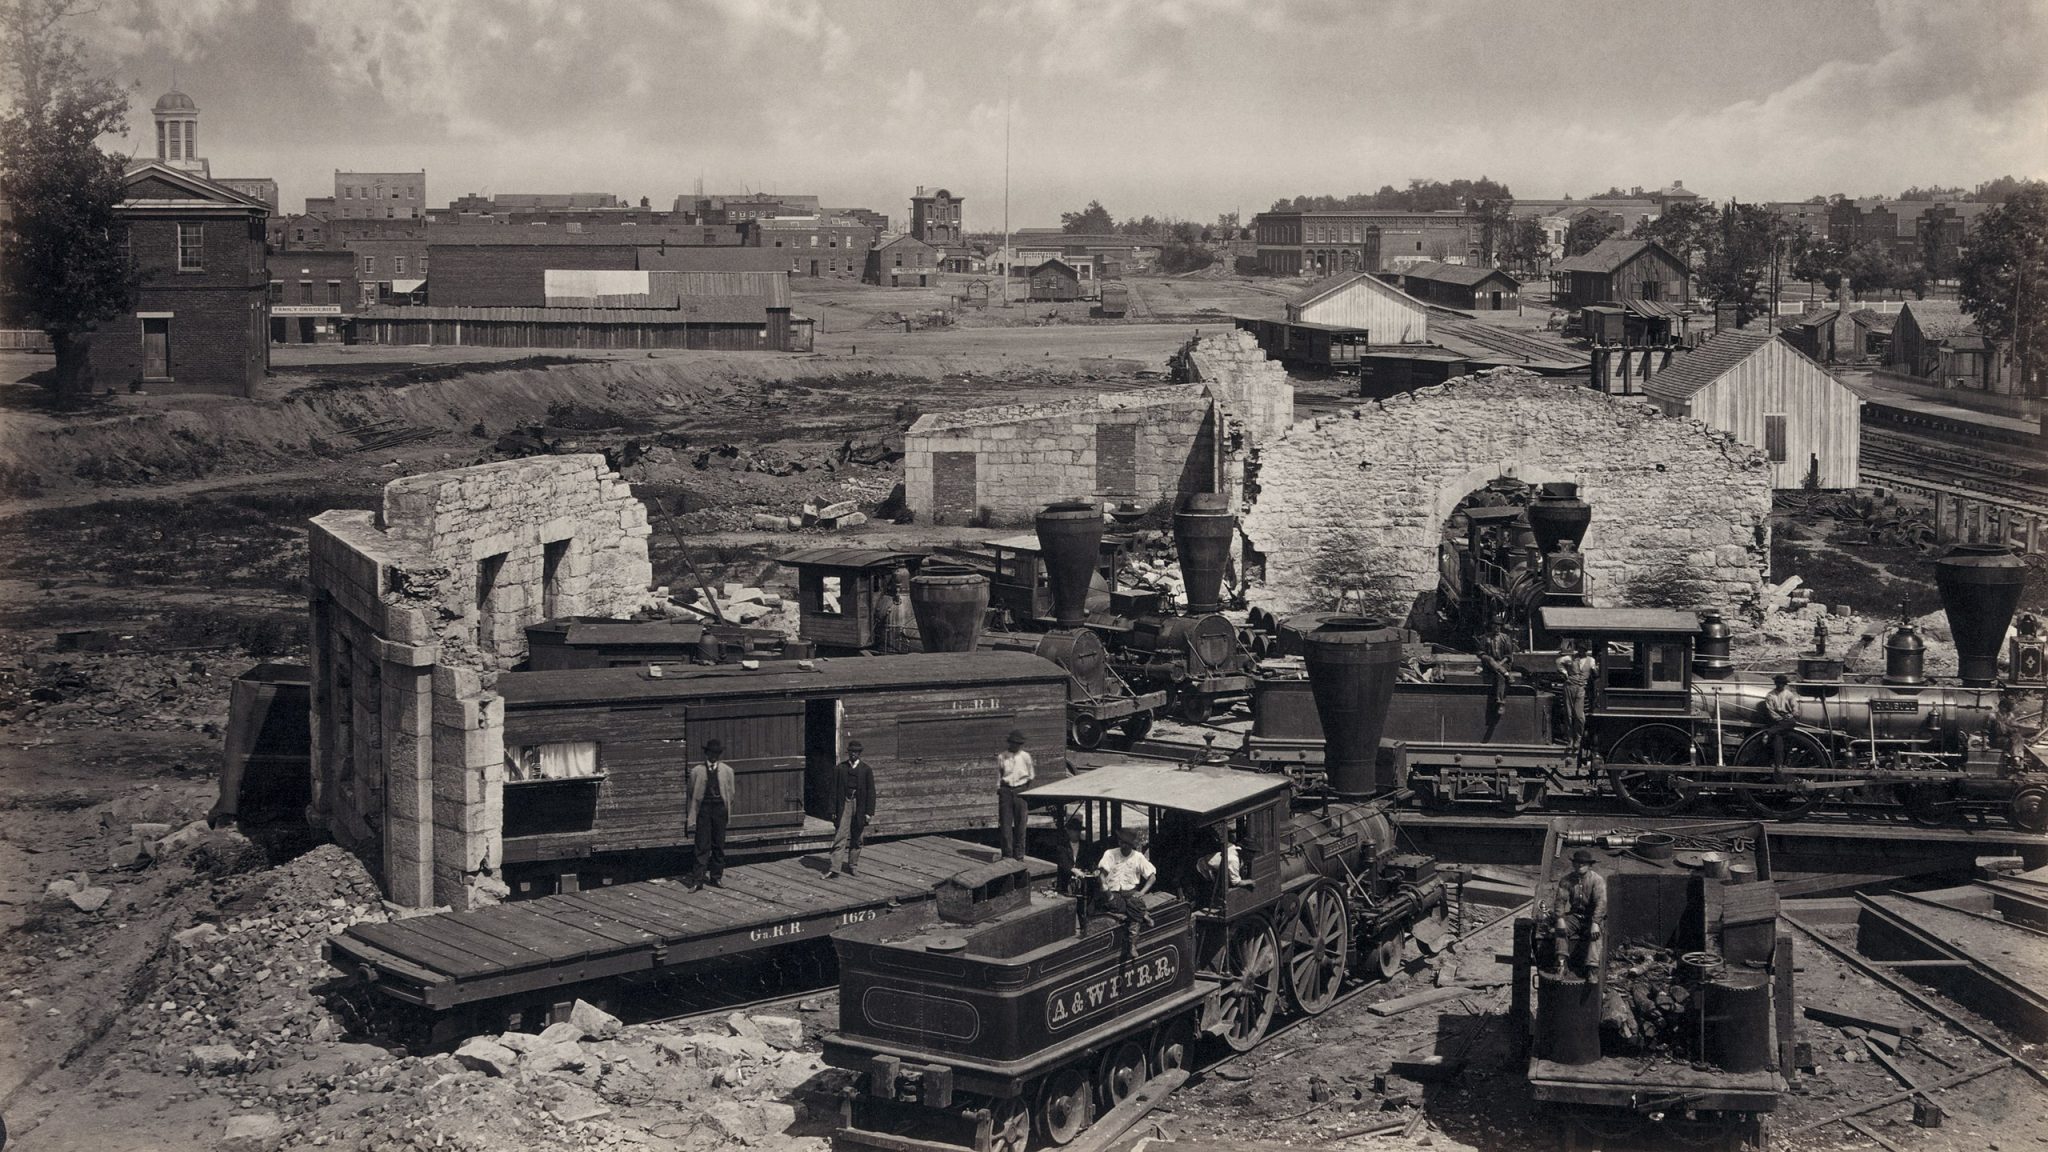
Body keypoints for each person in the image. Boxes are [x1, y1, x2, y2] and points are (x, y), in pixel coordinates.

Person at [1081, 825, 1156, 929]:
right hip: (1112, 893)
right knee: (1117, 905)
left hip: (1130, 894)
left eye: (1126, 843)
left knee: (1133, 902)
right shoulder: (1110, 854)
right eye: (1121, 842)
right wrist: (1107, 892)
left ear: (1131, 845)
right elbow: (1102, 875)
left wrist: (1142, 892)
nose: (1122, 845)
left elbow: (1152, 877)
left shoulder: (1138, 857)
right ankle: (1142, 914)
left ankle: (1132, 942)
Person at [1548, 847, 1608, 976]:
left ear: (1589, 865)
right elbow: (1560, 901)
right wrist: (1560, 919)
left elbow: (1601, 903)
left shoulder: (1597, 880)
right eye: (1577, 862)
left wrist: (1596, 923)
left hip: (1591, 917)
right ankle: (1561, 964)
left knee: (1595, 935)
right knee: (1559, 929)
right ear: (1573, 864)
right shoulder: (1566, 880)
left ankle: (1592, 969)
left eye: (1584, 863)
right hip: (1575, 916)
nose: (1580, 865)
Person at [686, 739, 735, 889]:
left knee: (718, 845)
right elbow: (691, 792)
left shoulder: (727, 771)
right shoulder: (696, 771)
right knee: (701, 845)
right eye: (711, 753)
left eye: (716, 754)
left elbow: (731, 793)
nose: (713, 756)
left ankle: (716, 878)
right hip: (704, 810)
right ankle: (697, 880)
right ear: (706, 753)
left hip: (719, 810)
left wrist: (722, 806)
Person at [827, 740, 877, 878]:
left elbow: (871, 793)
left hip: (860, 806)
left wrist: (869, 812)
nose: (853, 754)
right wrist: (832, 811)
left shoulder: (866, 770)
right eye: (851, 752)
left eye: (856, 752)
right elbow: (833, 791)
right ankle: (835, 868)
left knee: (857, 837)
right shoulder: (840, 769)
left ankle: (853, 866)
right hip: (844, 804)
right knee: (840, 836)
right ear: (848, 753)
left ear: (859, 753)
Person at [996, 729, 1034, 860]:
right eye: (1013, 743)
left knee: (1021, 825)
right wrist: (1000, 789)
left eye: (1018, 743)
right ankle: (1007, 855)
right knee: (1005, 825)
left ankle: (1019, 856)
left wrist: (1023, 790)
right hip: (1006, 791)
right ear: (1009, 743)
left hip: (1021, 790)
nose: (1015, 745)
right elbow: (999, 775)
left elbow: (1031, 776)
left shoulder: (1025, 757)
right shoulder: (1002, 756)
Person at [1556, 640, 1600, 750]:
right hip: (1569, 687)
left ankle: (1578, 738)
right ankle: (1570, 739)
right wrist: (1565, 673)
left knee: (1579, 716)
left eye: (1583, 649)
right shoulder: (1570, 658)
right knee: (1568, 714)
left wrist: (1595, 671)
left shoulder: (1591, 660)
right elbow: (1558, 662)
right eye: (1579, 649)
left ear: (1586, 650)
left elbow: (1595, 674)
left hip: (1581, 688)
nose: (1580, 651)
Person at [1196, 826, 1253, 905]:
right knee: (1210, 889)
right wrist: (1250, 881)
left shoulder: (1235, 847)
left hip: (1210, 863)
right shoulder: (1234, 860)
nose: (1252, 856)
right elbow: (1236, 882)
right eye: (1251, 853)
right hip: (1204, 868)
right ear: (1245, 852)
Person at [1479, 615, 1518, 714]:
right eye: (1495, 625)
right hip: (1489, 663)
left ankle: (1501, 702)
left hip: (1502, 662)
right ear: (1491, 626)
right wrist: (1488, 659)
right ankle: (1507, 674)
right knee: (1489, 658)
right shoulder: (1485, 637)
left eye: (1499, 626)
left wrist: (1500, 664)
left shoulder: (1505, 638)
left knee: (1499, 675)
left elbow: (1508, 655)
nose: (1497, 627)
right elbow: (1480, 652)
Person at [1762, 673, 1800, 771]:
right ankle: (1779, 765)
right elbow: (1770, 710)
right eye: (1778, 683)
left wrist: (1792, 714)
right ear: (1776, 683)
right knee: (1778, 740)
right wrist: (1779, 718)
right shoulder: (1770, 695)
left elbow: (1795, 707)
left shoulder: (1789, 694)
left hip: (1787, 718)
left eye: (1782, 683)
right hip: (1776, 719)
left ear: (1784, 684)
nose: (1780, 685)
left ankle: (1769, 732)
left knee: (1792, 722)